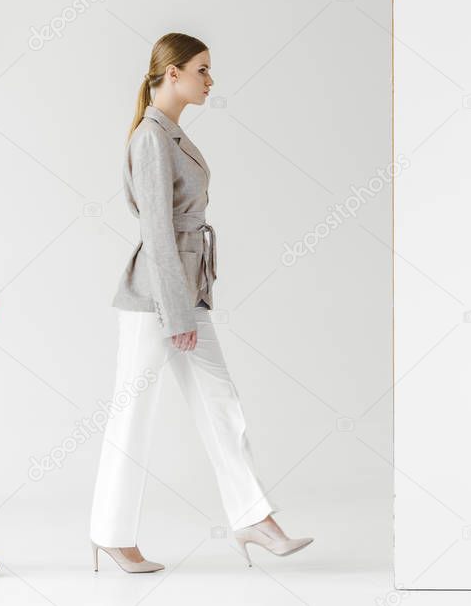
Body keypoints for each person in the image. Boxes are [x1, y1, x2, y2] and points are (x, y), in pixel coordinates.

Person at [90, 32, 313, 572]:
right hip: (156, 300)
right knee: (133, 413)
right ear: (173, 74)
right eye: (203, 70)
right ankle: (111, 534)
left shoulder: (170, 133)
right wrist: (177, 312)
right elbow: (158, 231)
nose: (210, 80)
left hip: (188, 292)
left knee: (220, 401)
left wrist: (191, 303)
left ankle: (252, 517)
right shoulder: (150, 138)